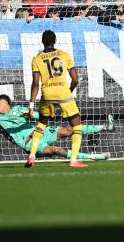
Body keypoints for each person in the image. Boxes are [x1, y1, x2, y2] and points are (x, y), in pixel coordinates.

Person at [0, 81, 114, 161]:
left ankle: (105, 127)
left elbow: (35, 115)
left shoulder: (18, 110)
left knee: (69, 129)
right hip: (30, 144)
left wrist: (35, 115)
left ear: (6, 104)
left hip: (40, 132)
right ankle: (93, 157)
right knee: (55, 150)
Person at [26, 30, 87, 168]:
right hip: (63, 94)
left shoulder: (37, 58)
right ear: (55, 41)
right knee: (77, 125)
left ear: (42, 41)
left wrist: (31, 105)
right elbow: (75, 79)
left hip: (47, 94)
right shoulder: (64, 55)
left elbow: (36, 83)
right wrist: (69, 91)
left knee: (41, 124)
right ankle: (73, 160)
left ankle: (32, 155)